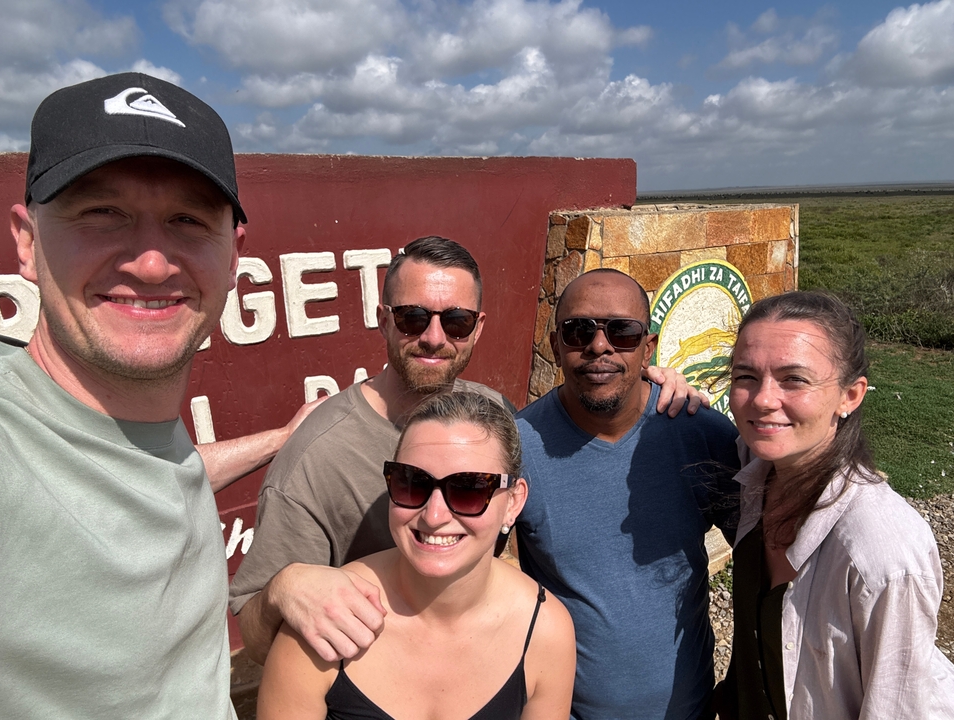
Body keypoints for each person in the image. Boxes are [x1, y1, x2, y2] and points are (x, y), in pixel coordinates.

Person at [229, 239, 702, 665]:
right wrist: (282, 589)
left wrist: (652, 381)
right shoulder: (319, 454)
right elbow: (254, 632)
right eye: (412, 318)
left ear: (476, 329)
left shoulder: (492, 416)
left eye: (454, 321)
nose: (434, 337)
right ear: (382, 320)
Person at [0, 73, 244, 718]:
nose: (152, 263)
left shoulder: (139, 427)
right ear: (26, 240)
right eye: (103, 214)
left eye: (188, 220)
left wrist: (284, 437)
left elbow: (139, 476)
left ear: (234, 254)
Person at [256, 392, 576, 719]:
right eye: (412, 482)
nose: (434, 516)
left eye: (469, 489)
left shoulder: (544, 632)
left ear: (513, 502)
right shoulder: (325, 617)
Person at [515, 268, 741, 720]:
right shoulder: (518, 449)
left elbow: (764, 563)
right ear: (556, 344)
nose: (600, 346)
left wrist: (741, 684)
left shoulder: (702, 436)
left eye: (622, 331)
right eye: (579, 330)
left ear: (649, 347)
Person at [716, 291, 954, 720]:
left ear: (850, 395)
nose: (764, 399)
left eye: (794, 379)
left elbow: (897, 707)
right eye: (745, 376)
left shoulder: (881, 553)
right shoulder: (760, 469)